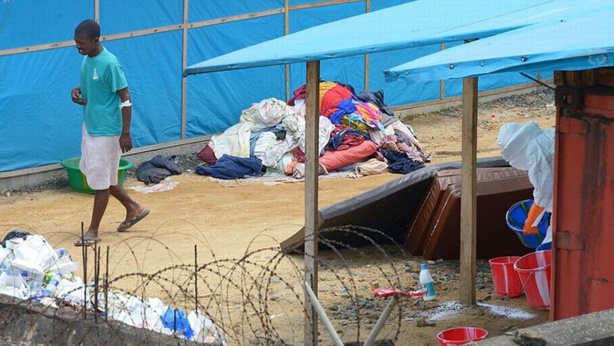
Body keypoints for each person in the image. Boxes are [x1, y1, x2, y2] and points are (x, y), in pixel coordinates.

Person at [71, 19, 149, 247]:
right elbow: (92, 89)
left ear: (96, 40)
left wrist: (126, 132)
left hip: (107, 131)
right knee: (98, 174)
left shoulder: (110, 64)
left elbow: (126, 98)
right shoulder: (87, 60)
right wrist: (77, 93)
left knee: (101, 182)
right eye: (76, 43)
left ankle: (93, 231)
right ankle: (133, 207)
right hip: (91, 126)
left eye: (82, 43)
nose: (78, 47)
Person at [497, 120, 554, 249]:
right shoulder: (547, 137)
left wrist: (531, 221)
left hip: (573, 205)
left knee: (549, 251)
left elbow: (544, 191)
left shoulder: (535, 149)